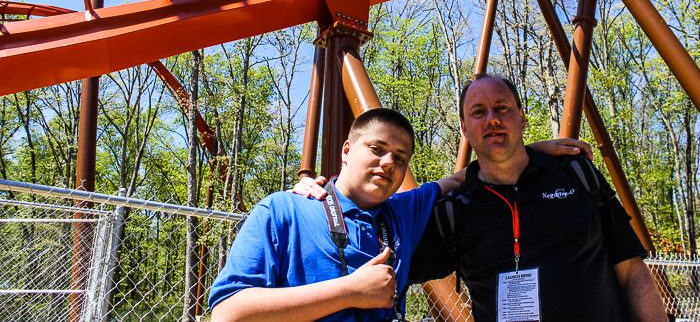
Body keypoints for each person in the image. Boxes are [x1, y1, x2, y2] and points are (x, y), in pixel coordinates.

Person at [209, 107, 587, 322]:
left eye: (400, 158)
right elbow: (228, 313)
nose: (388, 163)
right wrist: (350, 292)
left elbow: (461, 177)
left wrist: (528, 151)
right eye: (377, 149)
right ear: (346, 150)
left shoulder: (403, 211)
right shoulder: (282, 210)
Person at [407, 74, 668, 322]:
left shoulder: (577, 176)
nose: (492, 119)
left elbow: (632, 271)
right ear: (464, 129)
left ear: (522, 118)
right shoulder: (453, 213)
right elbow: (388, 263)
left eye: (502, 108)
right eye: (478, 112)